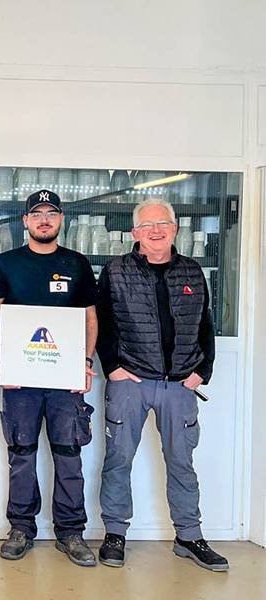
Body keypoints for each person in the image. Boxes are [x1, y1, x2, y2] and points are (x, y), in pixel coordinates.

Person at [96, 198, 228, 572]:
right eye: (147, 225)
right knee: (118, 460)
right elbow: (101, 322)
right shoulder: (116, 270)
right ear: (135, 232)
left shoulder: (192, 271)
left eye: (163, 223)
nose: (156, 231)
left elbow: (205, 324)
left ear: (175, 228)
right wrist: (112, 367)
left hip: (180, 385)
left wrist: (203, 371)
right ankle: (115, 534)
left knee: (182, 463)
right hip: (130, 383)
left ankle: (189, 536)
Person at [0, 189, 99, 567]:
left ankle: (71, 532)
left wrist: (84, 362)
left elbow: (90, 317)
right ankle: (21, 528)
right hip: (21, 381)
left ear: (61, 219)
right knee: (21, 454)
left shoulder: (77, 263)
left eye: (51, 213)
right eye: (36, 214)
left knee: (69, 455)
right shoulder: (6, 263)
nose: (44, 220)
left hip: (65, 381)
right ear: (26, 221)